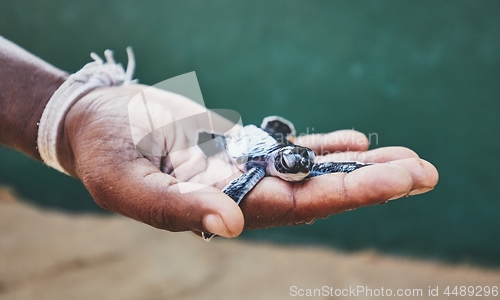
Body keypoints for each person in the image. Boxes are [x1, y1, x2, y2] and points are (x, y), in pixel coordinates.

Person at [0, 36, 438, 239]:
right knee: (244, 162)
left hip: (256, 142)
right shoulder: (253, 168)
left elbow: (301, 163)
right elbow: (253, 169)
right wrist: (78, 115)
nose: (301, 170)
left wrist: (70, 108)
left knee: (326, 162)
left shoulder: (291, 160)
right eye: (295, 164)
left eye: (298, 162)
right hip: (242, 145)